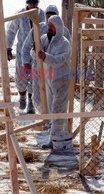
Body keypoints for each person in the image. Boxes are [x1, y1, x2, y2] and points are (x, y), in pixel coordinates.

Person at [31, 15, 73, 151]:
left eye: (52, 26)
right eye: (48, 25)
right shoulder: (44, 39)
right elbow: (35, 55)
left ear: (58, 27)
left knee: (58, 109)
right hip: (49, 78)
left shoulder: (64, 43)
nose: (49, 28)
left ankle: (54, 140)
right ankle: (55, 138)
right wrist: (34, 49)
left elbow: (58, 60)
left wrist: (45, 56)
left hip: (62, 79)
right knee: (51, 107)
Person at [21, 5, 72, 114]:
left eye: (52, 17)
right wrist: (27, 60)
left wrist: (47, 57)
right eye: (48, 16)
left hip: (57, 72)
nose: (50, 19)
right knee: (37, 96)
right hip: (39, 69)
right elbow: (28, 47)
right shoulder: (38, 28)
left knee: (57, 101)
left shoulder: (64, 33)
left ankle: (53, 123)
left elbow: (65, 54)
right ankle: (44, 117)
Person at [5, 0, 45, 113]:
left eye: (35, 3)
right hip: (22, 50)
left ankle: (31, 102)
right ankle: (22, 96)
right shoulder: (20, 15)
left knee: (34, 77)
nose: (32, 5)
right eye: (30, 3)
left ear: (37, 4)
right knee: (21, 77)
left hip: (36, 51)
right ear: (27, 4)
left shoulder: (41, 14)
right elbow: (11, 31)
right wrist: (8, 47)